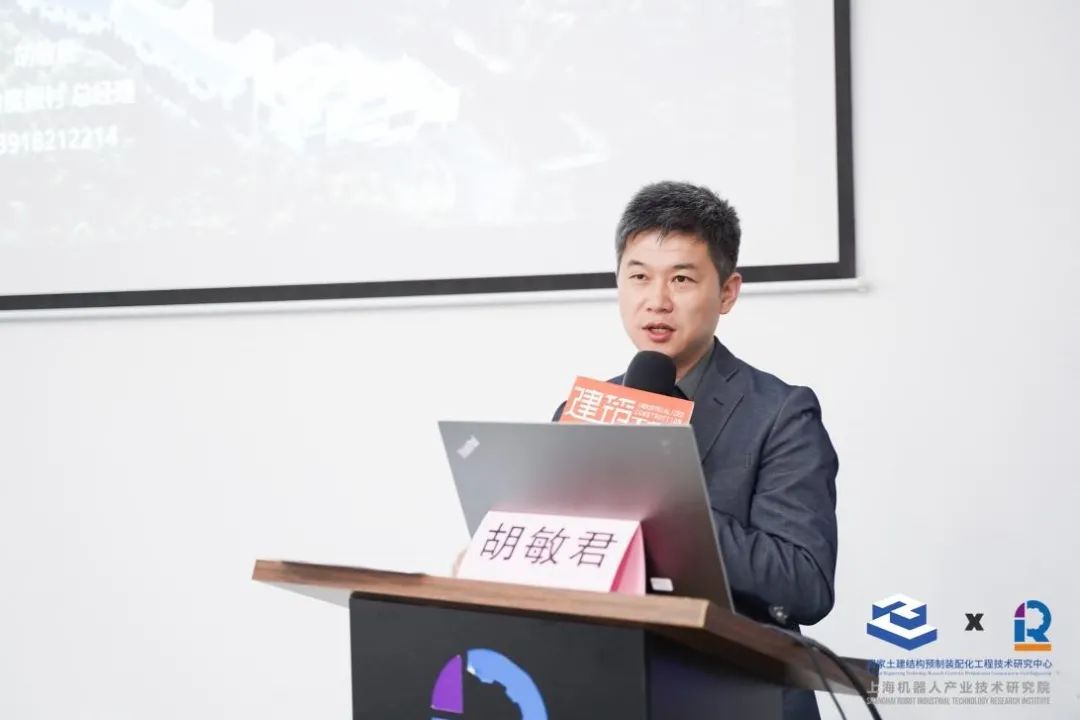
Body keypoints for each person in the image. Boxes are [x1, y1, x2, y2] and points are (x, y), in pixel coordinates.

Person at [556, 181, 839, 720]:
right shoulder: (582, 412)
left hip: (743, 696)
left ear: (727, 293)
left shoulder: (781, 414)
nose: (656, 300)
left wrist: (667, 507)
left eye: (681, 279)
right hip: (614, 690)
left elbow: (804, 584)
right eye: (639, 276)